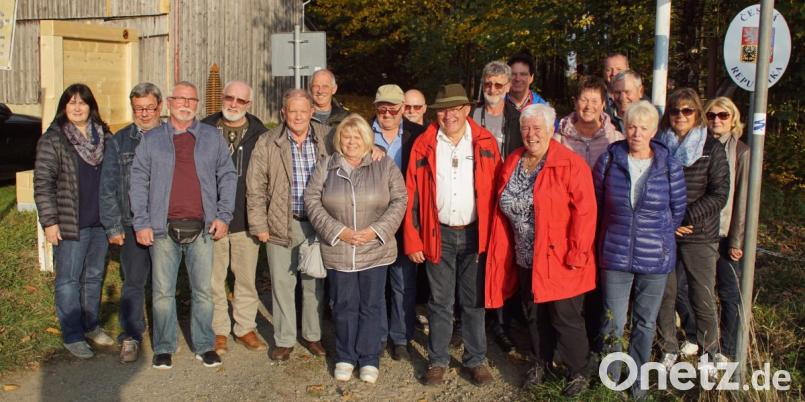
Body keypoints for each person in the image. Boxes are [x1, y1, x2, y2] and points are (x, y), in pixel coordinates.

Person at [485, 103, 597, 397]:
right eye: (526, 128)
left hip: (561, 259)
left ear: (551, 130)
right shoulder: (512, 162)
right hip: (525, 257)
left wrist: (577, 252)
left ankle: (578, 369)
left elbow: (586, 213)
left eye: (537, 128)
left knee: (564, 317)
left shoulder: (570, 164)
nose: (531, 134)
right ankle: (542, 363)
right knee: (533, 315)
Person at [130, 81, 237, 369]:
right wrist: (141, 222)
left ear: (197, 104)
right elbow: (138, 180)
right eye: (180, 98)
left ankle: (204, 345)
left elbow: (227, 176)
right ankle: (164, 346)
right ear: (169, 102)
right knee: (163, 292)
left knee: (203, 290)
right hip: (162, 227)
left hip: (203, 227)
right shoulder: (153, 139)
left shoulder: (211, 137)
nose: (186, 104)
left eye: (191, 99)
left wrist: (223, 215)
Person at [403, 83, 501, 386]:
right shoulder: (425, 143)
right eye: (443, 109)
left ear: (467, 109)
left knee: (473, 303)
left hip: (475, 234)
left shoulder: (485, 142)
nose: (449, 115)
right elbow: (412, 195)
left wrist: (494, 238)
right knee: (439, 301)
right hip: (438, 233)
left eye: (455, 108)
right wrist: (413, 238)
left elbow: (497, 193)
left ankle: (475, 359)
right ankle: (437, 360)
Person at [594, 100, 687, 399]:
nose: (636, 133)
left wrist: (654, 234)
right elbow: (596, 203)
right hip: (616, 252)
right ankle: (610, 381)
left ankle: (637, 381)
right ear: (623, 126)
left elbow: (677, 208)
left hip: (655, 256)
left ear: (654, 130)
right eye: (631, 126)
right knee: (613, 321)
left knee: (645, 323)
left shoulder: (668, 165)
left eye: (643, 128)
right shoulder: (609, 159)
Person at [305, 114, 407, 383]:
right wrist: (340, 231)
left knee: (371, 305)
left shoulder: (382, 164)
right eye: (346, 136)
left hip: (374, 249)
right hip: (340, 249)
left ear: (367, 140)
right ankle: (345, 355)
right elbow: (312, 200)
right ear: (339, 139)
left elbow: (400, 199)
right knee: (343, 305)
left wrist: (375, 230)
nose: (351, 142)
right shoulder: (326, 165)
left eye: (357, 137)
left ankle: (369, 358)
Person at [246, 89, 329, 361]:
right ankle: (284, 339)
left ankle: (313, 336)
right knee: (282, 283)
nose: (297, 116)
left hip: (317, 224)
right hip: (281, 223)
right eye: (292, 111)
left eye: (302, 111)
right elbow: (255, 186)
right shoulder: (268, 141)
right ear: (283, 113)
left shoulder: (326, 138)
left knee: (313, 283)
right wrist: (259, 223)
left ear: (311, 113)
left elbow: (355, 149)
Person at [34, 83, 114, 359]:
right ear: (64, 107)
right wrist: (49, 221)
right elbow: (43, 183)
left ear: (91, 106)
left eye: (83, 102)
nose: (78, 108)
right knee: (68, 280)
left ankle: (90, 325)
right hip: (70, 222)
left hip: (100, 221)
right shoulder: (54, 139)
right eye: (72, 103)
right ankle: (72, 334)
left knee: (93, 276)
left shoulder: (104, 135)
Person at [655, 88, 729, 377]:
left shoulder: (711, 148)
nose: (681, 115)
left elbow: (719, 193)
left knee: (702, 293)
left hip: (700, 233)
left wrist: (686, 216)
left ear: (697, 114)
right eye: (675, 110)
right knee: (666, 292)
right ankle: (668, 347)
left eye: (687, 110)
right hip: (665, 232)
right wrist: (669, 220)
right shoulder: (659, 146)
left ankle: (711, 349)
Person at [200, 80, 269, 354]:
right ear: (222, 99)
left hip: (246, 218)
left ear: (248, 104)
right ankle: (219, 330)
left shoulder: (259, 132)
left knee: (245, 278)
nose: (234, 104)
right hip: (212, 218)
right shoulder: (204, 129)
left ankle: (245, 327)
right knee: (214, 279)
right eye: (230, 98)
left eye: (241, 101)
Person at [99, 82, 162, 363]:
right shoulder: (120, 140)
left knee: (165, 283)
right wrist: (113, 227)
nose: (145, 113)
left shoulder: (173, 136)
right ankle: (132, 335)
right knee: (134, 282)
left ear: (159, 107)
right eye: (139, 108)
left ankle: (165, 336)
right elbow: (108, 186)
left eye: (149, 107)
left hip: (165, 223)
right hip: (131, 223)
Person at [369, 84, 426, 361]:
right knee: (377, 282)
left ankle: (400, 337)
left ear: (403, 109)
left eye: (393, 108)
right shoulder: (363, 134)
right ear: (376, 108)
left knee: (403, 282)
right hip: (373, 220)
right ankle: (379, 336)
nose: (388, 114)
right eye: (382, 108)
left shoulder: (418, 136)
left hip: (406, 220)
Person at [706, 97, 749, 362]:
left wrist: (737, 240)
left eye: (723, 115)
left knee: (729, 292)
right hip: (702, 232)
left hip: (726, 232)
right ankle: (705, 342)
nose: (717, 120)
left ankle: (730, 348)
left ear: (733, 118)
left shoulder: (742, 152)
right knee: (697, 290)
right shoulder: (699, 146)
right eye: (711, 115)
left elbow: (743, 198)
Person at [555, 75, 623, 168]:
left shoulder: (616, 140)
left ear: (603, 104)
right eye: (584, 100)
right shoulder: (559, 140)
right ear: (575, 102)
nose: (588, 106)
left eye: (594, 101)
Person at [472, 60, 523, 159]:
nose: (492, 90)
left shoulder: (517, 119)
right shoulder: (470, 114)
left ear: (508, 87)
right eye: (488, 84)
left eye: (498, 85)